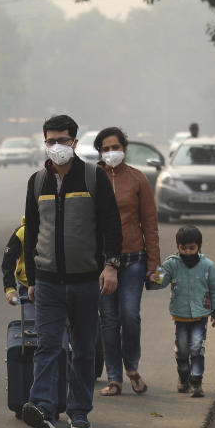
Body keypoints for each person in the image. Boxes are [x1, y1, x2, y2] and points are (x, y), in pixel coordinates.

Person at [21, 114, 122, 428]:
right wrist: (33, 280)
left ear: (75, 142)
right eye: (50, 141)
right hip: (49, 281)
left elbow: (111, 225)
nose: (57, 146)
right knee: (48, 347)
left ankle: (79, 411)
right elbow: (31, 231)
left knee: (83, 350)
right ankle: (44, 409)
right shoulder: (38, 182)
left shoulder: (93, 178)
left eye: (63, 140)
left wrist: (111, 266)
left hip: (85, 281)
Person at [93, 127, 160, 397]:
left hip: (133, 260)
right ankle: (114, 378)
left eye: (115, 147)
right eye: (106, 149)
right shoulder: (92, 179)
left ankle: (131, 367)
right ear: (99, 152)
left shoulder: (137, 179)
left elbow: (150, 224)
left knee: (129, 315)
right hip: (100, 263)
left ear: (125, 148)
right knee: (108, 320)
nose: (111, 153)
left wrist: (153, 266)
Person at [148, 225, 215, 398]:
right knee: (182, 349)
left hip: (200, 316)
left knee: (197, 348)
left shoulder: (207, 265)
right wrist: (152, 278)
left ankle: (196, 381)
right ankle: (184, 378)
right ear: (178, 247)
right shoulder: (170, 264)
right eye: (184, 248)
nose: (188, 252)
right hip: (180, 316)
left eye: (192, 248)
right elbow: (159, 280)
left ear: (199, 246)